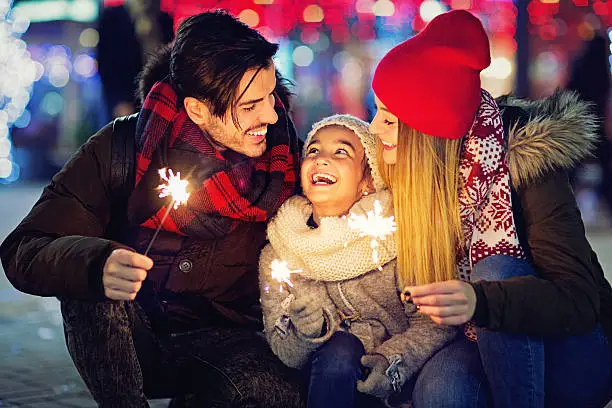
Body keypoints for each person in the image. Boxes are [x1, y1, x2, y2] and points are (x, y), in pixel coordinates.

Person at [1, 11, 303, 408]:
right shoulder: (122, 147)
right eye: (250, 106)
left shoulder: (287, 161)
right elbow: (24, 247)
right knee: (91, 283)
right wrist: (96, 264)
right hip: (133, 335)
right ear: (197, 110)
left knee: (277, 395)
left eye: (270, 96)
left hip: (227, 339)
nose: (270, 114)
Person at [369, 10, 612, 408]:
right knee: (440, 390)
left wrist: (481, 300)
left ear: (428, 132)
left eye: (390, 118)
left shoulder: (526, 164)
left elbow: (579, 300)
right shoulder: (404, 171)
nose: (376, 128)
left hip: (574, 350)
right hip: (474, 337)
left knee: (495, 270)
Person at [259, 114, 456, 408]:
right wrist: (307, 331)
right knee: (340, 347)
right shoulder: (280, 250)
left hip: (399, 385)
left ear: (368, 179)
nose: (322, 159)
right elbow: (282, 346)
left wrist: (389, 362)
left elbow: (435, 324)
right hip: (326, 381)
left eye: (341, 152)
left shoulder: (394, 235)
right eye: (313, 150)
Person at [98, 0, 174, 119]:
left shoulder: (164, 19)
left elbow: (169, 60)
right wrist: (119, 100)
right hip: (126, 98)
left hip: (159, 97)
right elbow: (106, 63)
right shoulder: (112, 17)